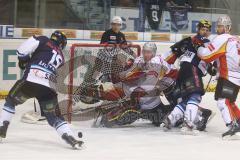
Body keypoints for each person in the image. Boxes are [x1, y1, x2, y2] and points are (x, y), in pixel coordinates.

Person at [0, 31, 83, 149]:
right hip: (48, 88)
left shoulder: (44, 40)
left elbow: (21, 51)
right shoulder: (61, 57)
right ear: (62, 43)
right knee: (54, 117)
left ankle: (2, 128)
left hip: (30, 82)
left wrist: (23, 60)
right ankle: (70, 137)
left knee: (11, 101)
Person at [93, 42, 175, 127]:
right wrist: (112, 76)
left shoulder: (158, 63)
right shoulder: (139, 60)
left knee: (156, 118)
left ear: (154, 53)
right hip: (143, 98)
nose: (146, 54)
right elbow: (129, 73)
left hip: (156, 101)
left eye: (148, 52)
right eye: (144, 51)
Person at [161, 19, 215, 133]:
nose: (205, 32)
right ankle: (188, 123)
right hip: (192, 70)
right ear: (198, 30)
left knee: (187, 100)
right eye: (203, 29)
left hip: (182, 72)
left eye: (207, 30)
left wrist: (210, 68)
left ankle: (171, 119)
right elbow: (208, 55)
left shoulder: (190, 41)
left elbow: (177, 51)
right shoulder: (205, 41)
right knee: (195, 96)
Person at [196, 15, 240, 139]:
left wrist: (198, 48)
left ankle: (232, 127)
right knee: (229, 102)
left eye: (221, 26)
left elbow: (206, 56)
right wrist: (217, 63)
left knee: (222, 102)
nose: (218, 28)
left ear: (227, 27)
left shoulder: (222, 38)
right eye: (218, 26)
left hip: (228, 75)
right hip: (236, 76)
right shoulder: (236, 39)